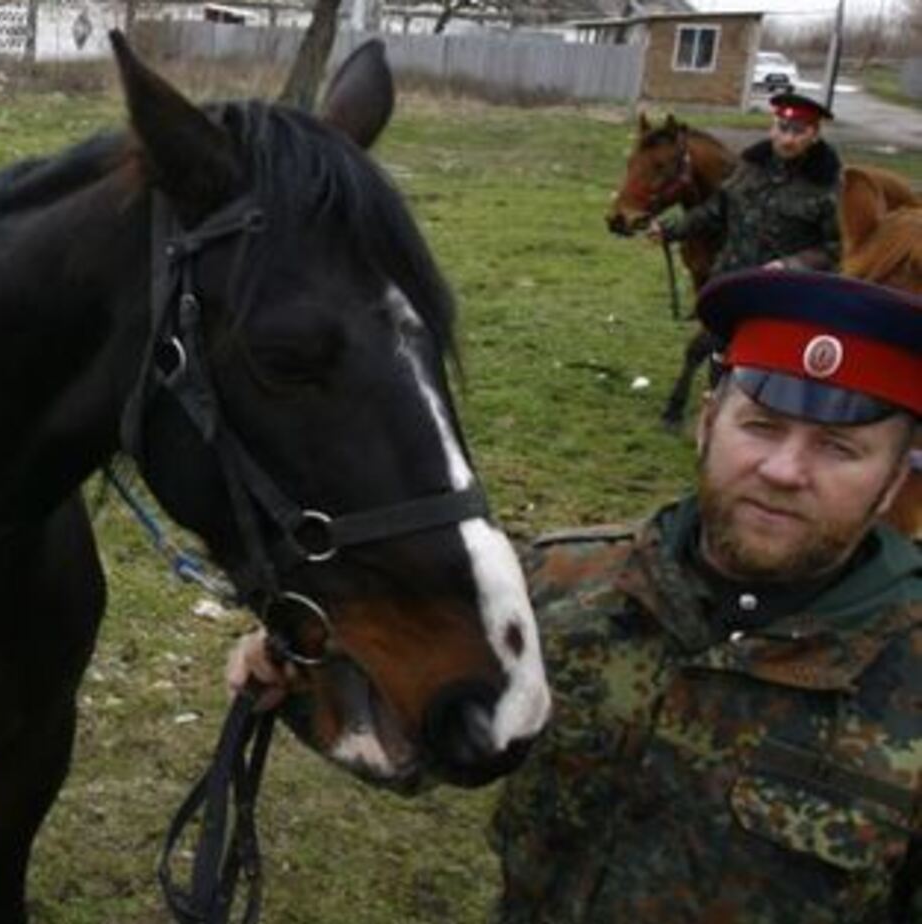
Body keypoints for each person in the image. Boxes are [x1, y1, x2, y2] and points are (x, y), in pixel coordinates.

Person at [230, 269, 922, 921]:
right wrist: (303, 673)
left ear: (895, 479)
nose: (783, 470)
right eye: (761, 426)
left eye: (840, 448)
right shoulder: (561, 584)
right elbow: (431, 744)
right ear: (709, 421)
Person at [649, 92, 841, 277]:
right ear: (772, 129)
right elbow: (716, 209)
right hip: (731, 281)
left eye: (799, 131)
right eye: (783, 128)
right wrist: (671, 229)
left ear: (814, 135)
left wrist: (792, 265)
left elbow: (837, 247)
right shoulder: (750, 167)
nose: (788, 139)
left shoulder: (827, 184)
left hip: (786, 291)